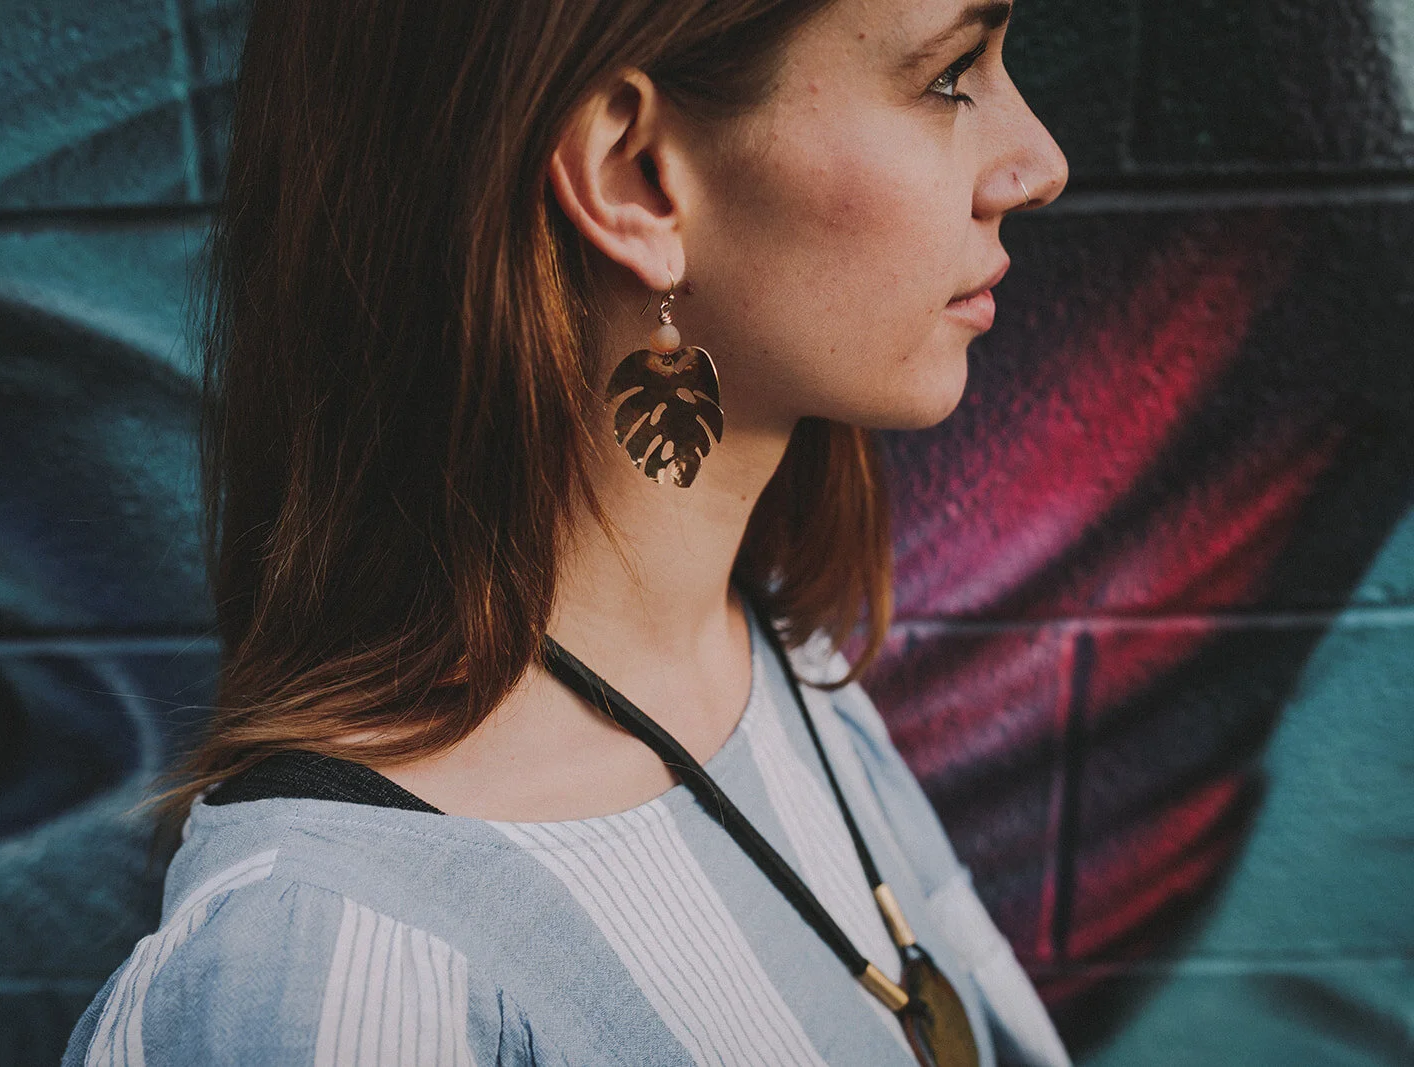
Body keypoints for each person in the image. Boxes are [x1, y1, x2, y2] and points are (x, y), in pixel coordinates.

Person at [64, 0, 1070, 1062]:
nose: (1035, 162)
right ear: (636, 176)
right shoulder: (328, 970)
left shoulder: (771, 665)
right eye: (950, 75)